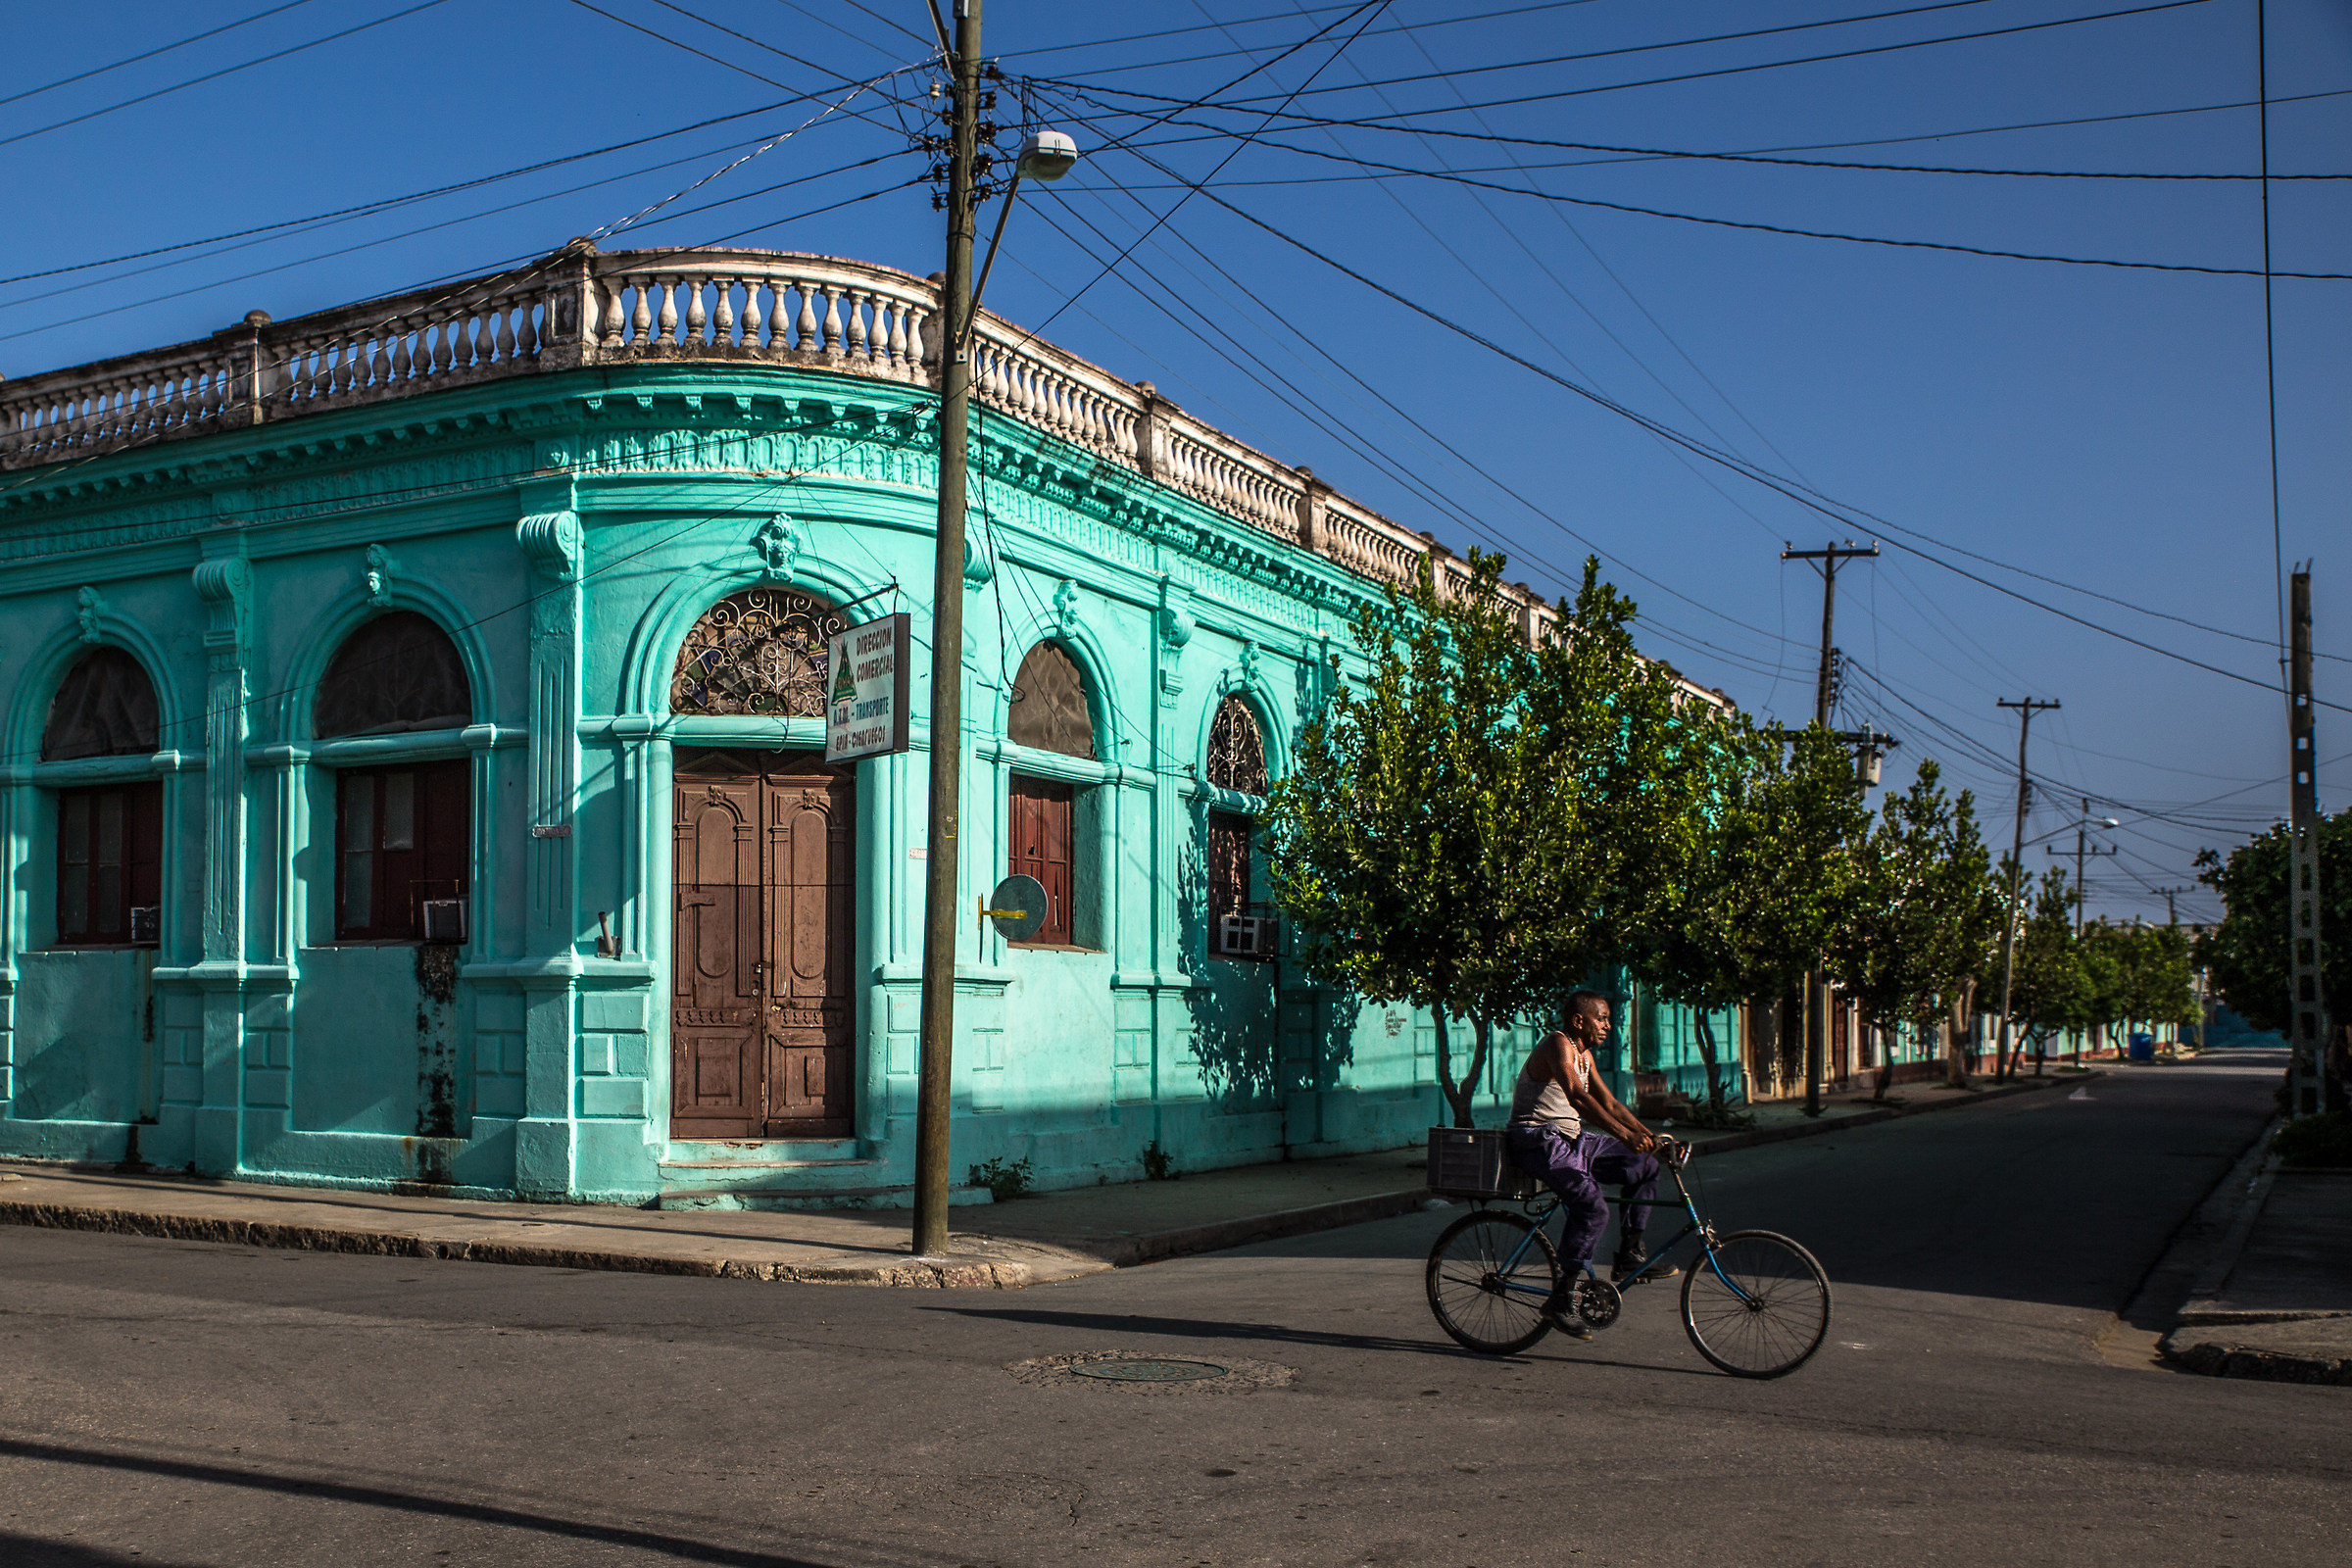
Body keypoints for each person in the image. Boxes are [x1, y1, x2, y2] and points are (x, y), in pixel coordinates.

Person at [1505, 990, 1678, 1334]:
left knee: (1643, 1166)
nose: (1608, 1026)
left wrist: (1650, 1138)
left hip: (1570, 1139)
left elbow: (1610, 1104)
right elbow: (1578, 1097)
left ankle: (1630, 1254)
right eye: (1602, 1019)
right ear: (1578, 1020)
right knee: (1593, 1208)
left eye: (1609, 1020)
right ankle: (1562, 1297)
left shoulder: (1584, 1055)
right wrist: (1624, 1135)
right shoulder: (1558, 1044)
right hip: (1538, 1139)